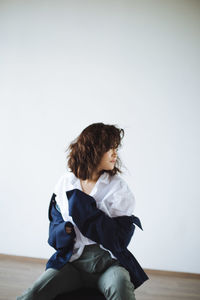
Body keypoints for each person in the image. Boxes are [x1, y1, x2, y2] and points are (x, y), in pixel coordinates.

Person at [17, 122, 148, 300]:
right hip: (73, 262)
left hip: (108, 264)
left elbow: (120, 240)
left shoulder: (119, 188)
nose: (114, 153)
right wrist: (65, 230)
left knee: (121, 288)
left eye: (116, 148)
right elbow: (54, 231)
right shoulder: (65, 183)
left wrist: (81, 208)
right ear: (92, 150)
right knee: (34, 293)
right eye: (109, 148)